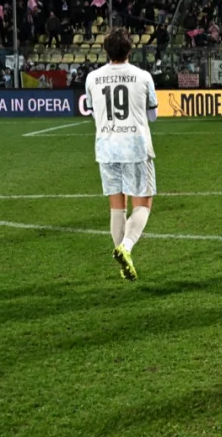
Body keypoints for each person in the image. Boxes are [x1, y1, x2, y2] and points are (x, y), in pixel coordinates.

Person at [84, 28, 159, 282]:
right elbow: (153, 115)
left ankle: (124, 263)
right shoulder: (143, 76)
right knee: (143, 203)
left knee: (117, 207)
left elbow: (94, 112)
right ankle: (125, 248)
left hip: (106, 147)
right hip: (135, 146)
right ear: (130, 50)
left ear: (106, 51)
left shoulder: (92, 78)